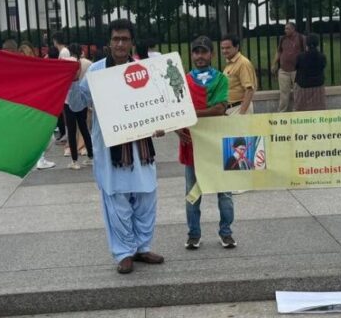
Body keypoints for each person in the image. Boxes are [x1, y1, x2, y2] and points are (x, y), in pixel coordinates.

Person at [68, 19, 164, 274]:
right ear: (109, 43)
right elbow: (77, 105)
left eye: (124, 39)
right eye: (115, 39)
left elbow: (157, 107)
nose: (120, 43)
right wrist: (73, 82)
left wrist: (163, 123)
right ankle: (124, 253)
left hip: (141, 147)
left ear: (132, 42)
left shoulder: (145, 70)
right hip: (110, 148)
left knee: (146, 197)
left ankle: (142, 247)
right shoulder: (96, 72)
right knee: (117, 199)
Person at [176, 36, 235, 250]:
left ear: (211, 54)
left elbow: (220, 108)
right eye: (196, 52)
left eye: (203, 52)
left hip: (216, 144)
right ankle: (193, 234)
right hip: (190, 144)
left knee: (225, 194)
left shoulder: (221, 79)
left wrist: (189, 115)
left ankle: (226, 233)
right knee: (192, 194)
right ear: (191, 55)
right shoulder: (182, 80)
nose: (199, 56)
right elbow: (174, 110)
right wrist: (176, 128)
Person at [17, 41, 56, 169]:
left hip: (31, 106)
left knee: (40, 135)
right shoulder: (32, 68)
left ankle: (38, 158)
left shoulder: (24, 69)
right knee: (43, 136)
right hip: (34, 106)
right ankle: (40, 158)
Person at [65, 43, 93, 169]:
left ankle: (74, 160)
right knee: (84, 128)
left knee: (71, 131)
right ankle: (90, 156)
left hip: (69, 99)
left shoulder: (67, 63)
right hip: (82, 99)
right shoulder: (87, 63)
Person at [272, 23, 306, 112]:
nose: (285, 30)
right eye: (285, 28)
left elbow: (305, 51)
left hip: (297, 70)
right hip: (283, 70)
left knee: (297, 92)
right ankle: (282, 111)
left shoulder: (301, 38)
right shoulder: (283, 39)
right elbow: (279, 51)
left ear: (293, 29)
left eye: (287, 29)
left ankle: (297, 111)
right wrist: (274, 63)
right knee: (283, 93)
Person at [220, 34, 256, 115]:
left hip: (239, 109)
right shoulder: (230, 63)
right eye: (222, 48)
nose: (224, 51)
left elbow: (249, 90)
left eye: (228, 48)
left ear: (236, 47)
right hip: (231, 109)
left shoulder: (243, 63)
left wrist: (242, 114)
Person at [294, 34, 327, 111]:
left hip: (303, 85)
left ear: (306, 44)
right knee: (318, 109)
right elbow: (323, 66)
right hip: (318, 85)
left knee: (301, 109)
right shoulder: (322, 56)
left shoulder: (300, 56)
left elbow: (296, 67)